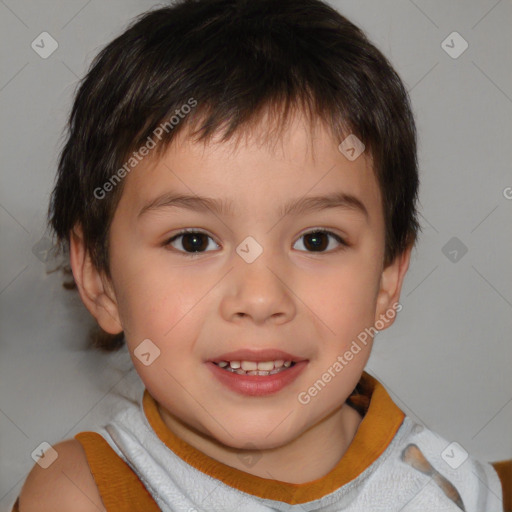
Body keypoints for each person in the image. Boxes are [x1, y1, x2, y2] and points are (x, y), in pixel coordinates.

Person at [13, 0, 510, 510]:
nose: (260, 297)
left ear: (387, 280)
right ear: (100, 279)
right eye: (193, 241)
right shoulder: (82, 493)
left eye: (316, 240)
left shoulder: (459, 492)